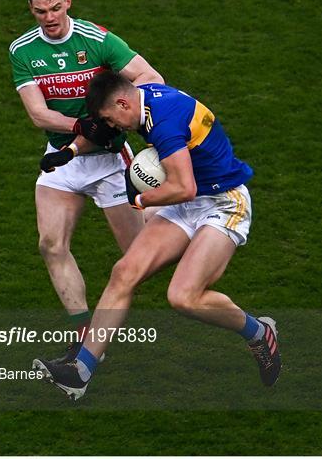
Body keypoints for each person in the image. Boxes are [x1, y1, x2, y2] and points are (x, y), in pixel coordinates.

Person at [33, 71, 282, 399]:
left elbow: (183, 186)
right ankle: (81, 371)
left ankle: (259, 332)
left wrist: (139, 199)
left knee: (183, 297)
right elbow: (100, 130)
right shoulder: (142, 98)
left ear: (122, 103)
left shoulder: (163, 123)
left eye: (113, 118)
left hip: (223, 203)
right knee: (124, 273)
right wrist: (71, 153)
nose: (116, 127)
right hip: (187, 203)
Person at [9, 0, 164, 362]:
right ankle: (85, 337)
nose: (49, 17)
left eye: (56, 8)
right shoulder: (23, 50)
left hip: (111, 161)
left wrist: (117, 115)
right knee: (50, 243)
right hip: (62, 158)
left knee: (138, 259)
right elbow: (38, 113)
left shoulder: (96, 39)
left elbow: (150, 77)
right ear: (31, 8)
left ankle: (175, 216)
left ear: (68, 2)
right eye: (41, 10)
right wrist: (81, 127)